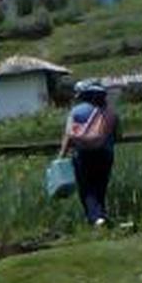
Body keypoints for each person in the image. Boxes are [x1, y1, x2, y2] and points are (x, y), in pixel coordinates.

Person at [59, 81, 118, 227]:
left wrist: (61, 155)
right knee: (100, 187)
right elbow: (118, 134)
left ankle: (96, 219)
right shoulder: (110, 113)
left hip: (83, 154)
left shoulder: (76, 111)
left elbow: (69, 135)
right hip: (105, 154)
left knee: (86, 189)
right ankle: (101, 216)